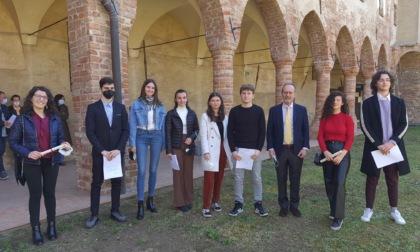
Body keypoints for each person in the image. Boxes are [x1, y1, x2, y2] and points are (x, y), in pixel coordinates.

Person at [8, 86, 70, 245]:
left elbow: (61, 139)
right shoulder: (22, 119)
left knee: (50, 193)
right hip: (31, 163)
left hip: (51, 161)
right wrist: (27, 152)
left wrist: (64, 145)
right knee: (35, 195)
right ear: (31, 98)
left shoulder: (55, 118)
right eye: (38, 96)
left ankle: (51, 226)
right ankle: (35, 229)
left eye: (45, 97)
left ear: (48, 100)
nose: (41, 99)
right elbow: (13, 142)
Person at [360, 70, 410, 225]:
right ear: (376, 83)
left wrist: (391, 142)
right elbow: (365, 125)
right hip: (375, 147)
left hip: (393, 147)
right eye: (381, 80)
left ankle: (394, 210)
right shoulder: (368, 103)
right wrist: (379, 144)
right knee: (372, 179)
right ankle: (368, 209)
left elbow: (404, 124)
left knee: (393, 179)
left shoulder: (399, 102)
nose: (384, 82)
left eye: (387, 80)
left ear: (391, 83)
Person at [84, 77, 129, 229]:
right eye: (106, 88)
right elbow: (90, 132)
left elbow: (125, 130)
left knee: (116, 182)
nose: (109, 90)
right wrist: (102, 150)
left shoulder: (120, 108)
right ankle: (94, 214)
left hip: (116, 153)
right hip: (100, 152)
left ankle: (115, 210)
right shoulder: (93, 108)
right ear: (101, 89)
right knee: (96, 183)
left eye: (112, 87)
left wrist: (118, 149)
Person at [266, 83, 310, 218]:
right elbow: (270, 131)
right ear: (282, 94)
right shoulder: (274, 110)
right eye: (285, 92)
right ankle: (283, 206)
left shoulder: (301, 110)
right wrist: (271, 148)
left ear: (294, 95)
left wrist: (305, 147)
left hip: (296, 151)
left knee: (295, 179)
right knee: (281, 179)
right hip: (280, 151)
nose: (288, 95)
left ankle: (294, 206)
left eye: (290, 92)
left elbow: (305, 130)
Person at [227, 84, 267, 217]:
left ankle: (258, 203)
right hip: (238, 150)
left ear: (253, 95)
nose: (246, 95)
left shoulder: (258, 111)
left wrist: (258, 149)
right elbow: (230, 132)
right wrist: (233, 150)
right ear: (240, 95)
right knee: (238, 178)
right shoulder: (234, 111)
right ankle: (238, 203)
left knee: (256, 178)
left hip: (254, 151)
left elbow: (262, 132)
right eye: (244, 93)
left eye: (249, 93)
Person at [129, 79, 166, 220]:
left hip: (156, 136)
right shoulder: (136, 104)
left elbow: (162, 126)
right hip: (141, 136)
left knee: (153, 170)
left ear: (155, 90)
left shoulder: (161, 106)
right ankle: (140, 204)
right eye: (148, 87)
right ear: (144, 88)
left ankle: (150, 200)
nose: (150, 89)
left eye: (152, 88)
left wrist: (163, 142)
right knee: (142, 170)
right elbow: (132, 124)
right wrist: (132, 143)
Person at [317, 91, 354, 231]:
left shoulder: (347, 119)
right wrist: (325, 151)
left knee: (339, 183)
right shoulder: (325, 118)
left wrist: (342, 155)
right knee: (329, 183)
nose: (335, 102)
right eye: (333, 99)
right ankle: (333, 210)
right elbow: (320, 136)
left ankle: (339, 217)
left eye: (338, 100)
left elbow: (350, 138)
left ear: (342, 102)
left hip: (342, 153)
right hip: (327, 152)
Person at [165, 89, 199, 212]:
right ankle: (180, 202)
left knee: (188, 172)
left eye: (184, 97)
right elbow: (167, 133)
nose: (182, 100)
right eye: (179, 98)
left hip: (189, 144)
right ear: (175, 99)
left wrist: (192, 138)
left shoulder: (192, 113)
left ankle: (188, 199)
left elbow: (196, 129)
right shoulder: (171, 114)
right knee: (178, 173)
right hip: (176, 145)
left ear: (187, 98)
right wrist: (168, 150)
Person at [200, 92, 233, 217]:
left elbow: (227, 136)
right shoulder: (205, 116)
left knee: (219, 178)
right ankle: (206, 206)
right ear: (209, 102)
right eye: (213, 100)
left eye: (217, 100)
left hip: (222, 151)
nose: (215, 102)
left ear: (221, 102)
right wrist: (206, 151)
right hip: (210, 151)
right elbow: (203, 136)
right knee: (209, 179)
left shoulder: (225, 117)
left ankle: (215, 201)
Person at [54, 94, 73, 166]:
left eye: (63, 99)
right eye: (61, 99)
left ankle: (61, 160)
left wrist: (59, 114)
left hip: (63, 127)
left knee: (63, 143)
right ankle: (56, 160)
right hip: (55, 127)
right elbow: (54, 116)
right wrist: (61, 114)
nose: (62, 100)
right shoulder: (53, 107)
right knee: (55, 143)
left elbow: (65, 116)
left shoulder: (64, 107)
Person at [0, 91, 11, 180]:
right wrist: (3, 123)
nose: (4, 99)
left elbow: (7, 117)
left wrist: (9, 121)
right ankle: (1, 171)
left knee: (2, 151)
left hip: (4, 133)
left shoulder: (4, 107)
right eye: (3, 97)